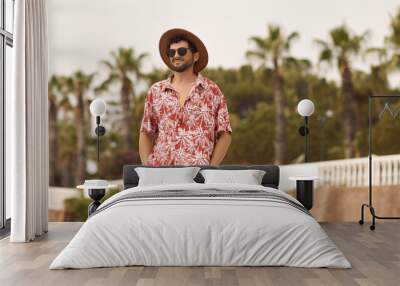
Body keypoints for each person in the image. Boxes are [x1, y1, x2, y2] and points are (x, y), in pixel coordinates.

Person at [139, 28, 232, 166]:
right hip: (161, 176)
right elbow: (146, 132)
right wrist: (148, 169)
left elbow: (225, 134)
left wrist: (211, 170)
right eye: (172, 52)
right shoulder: (156, 91)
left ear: (195, 56)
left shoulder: (212, 91)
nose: (176, 55)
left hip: (198, 178)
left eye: (182, 51)